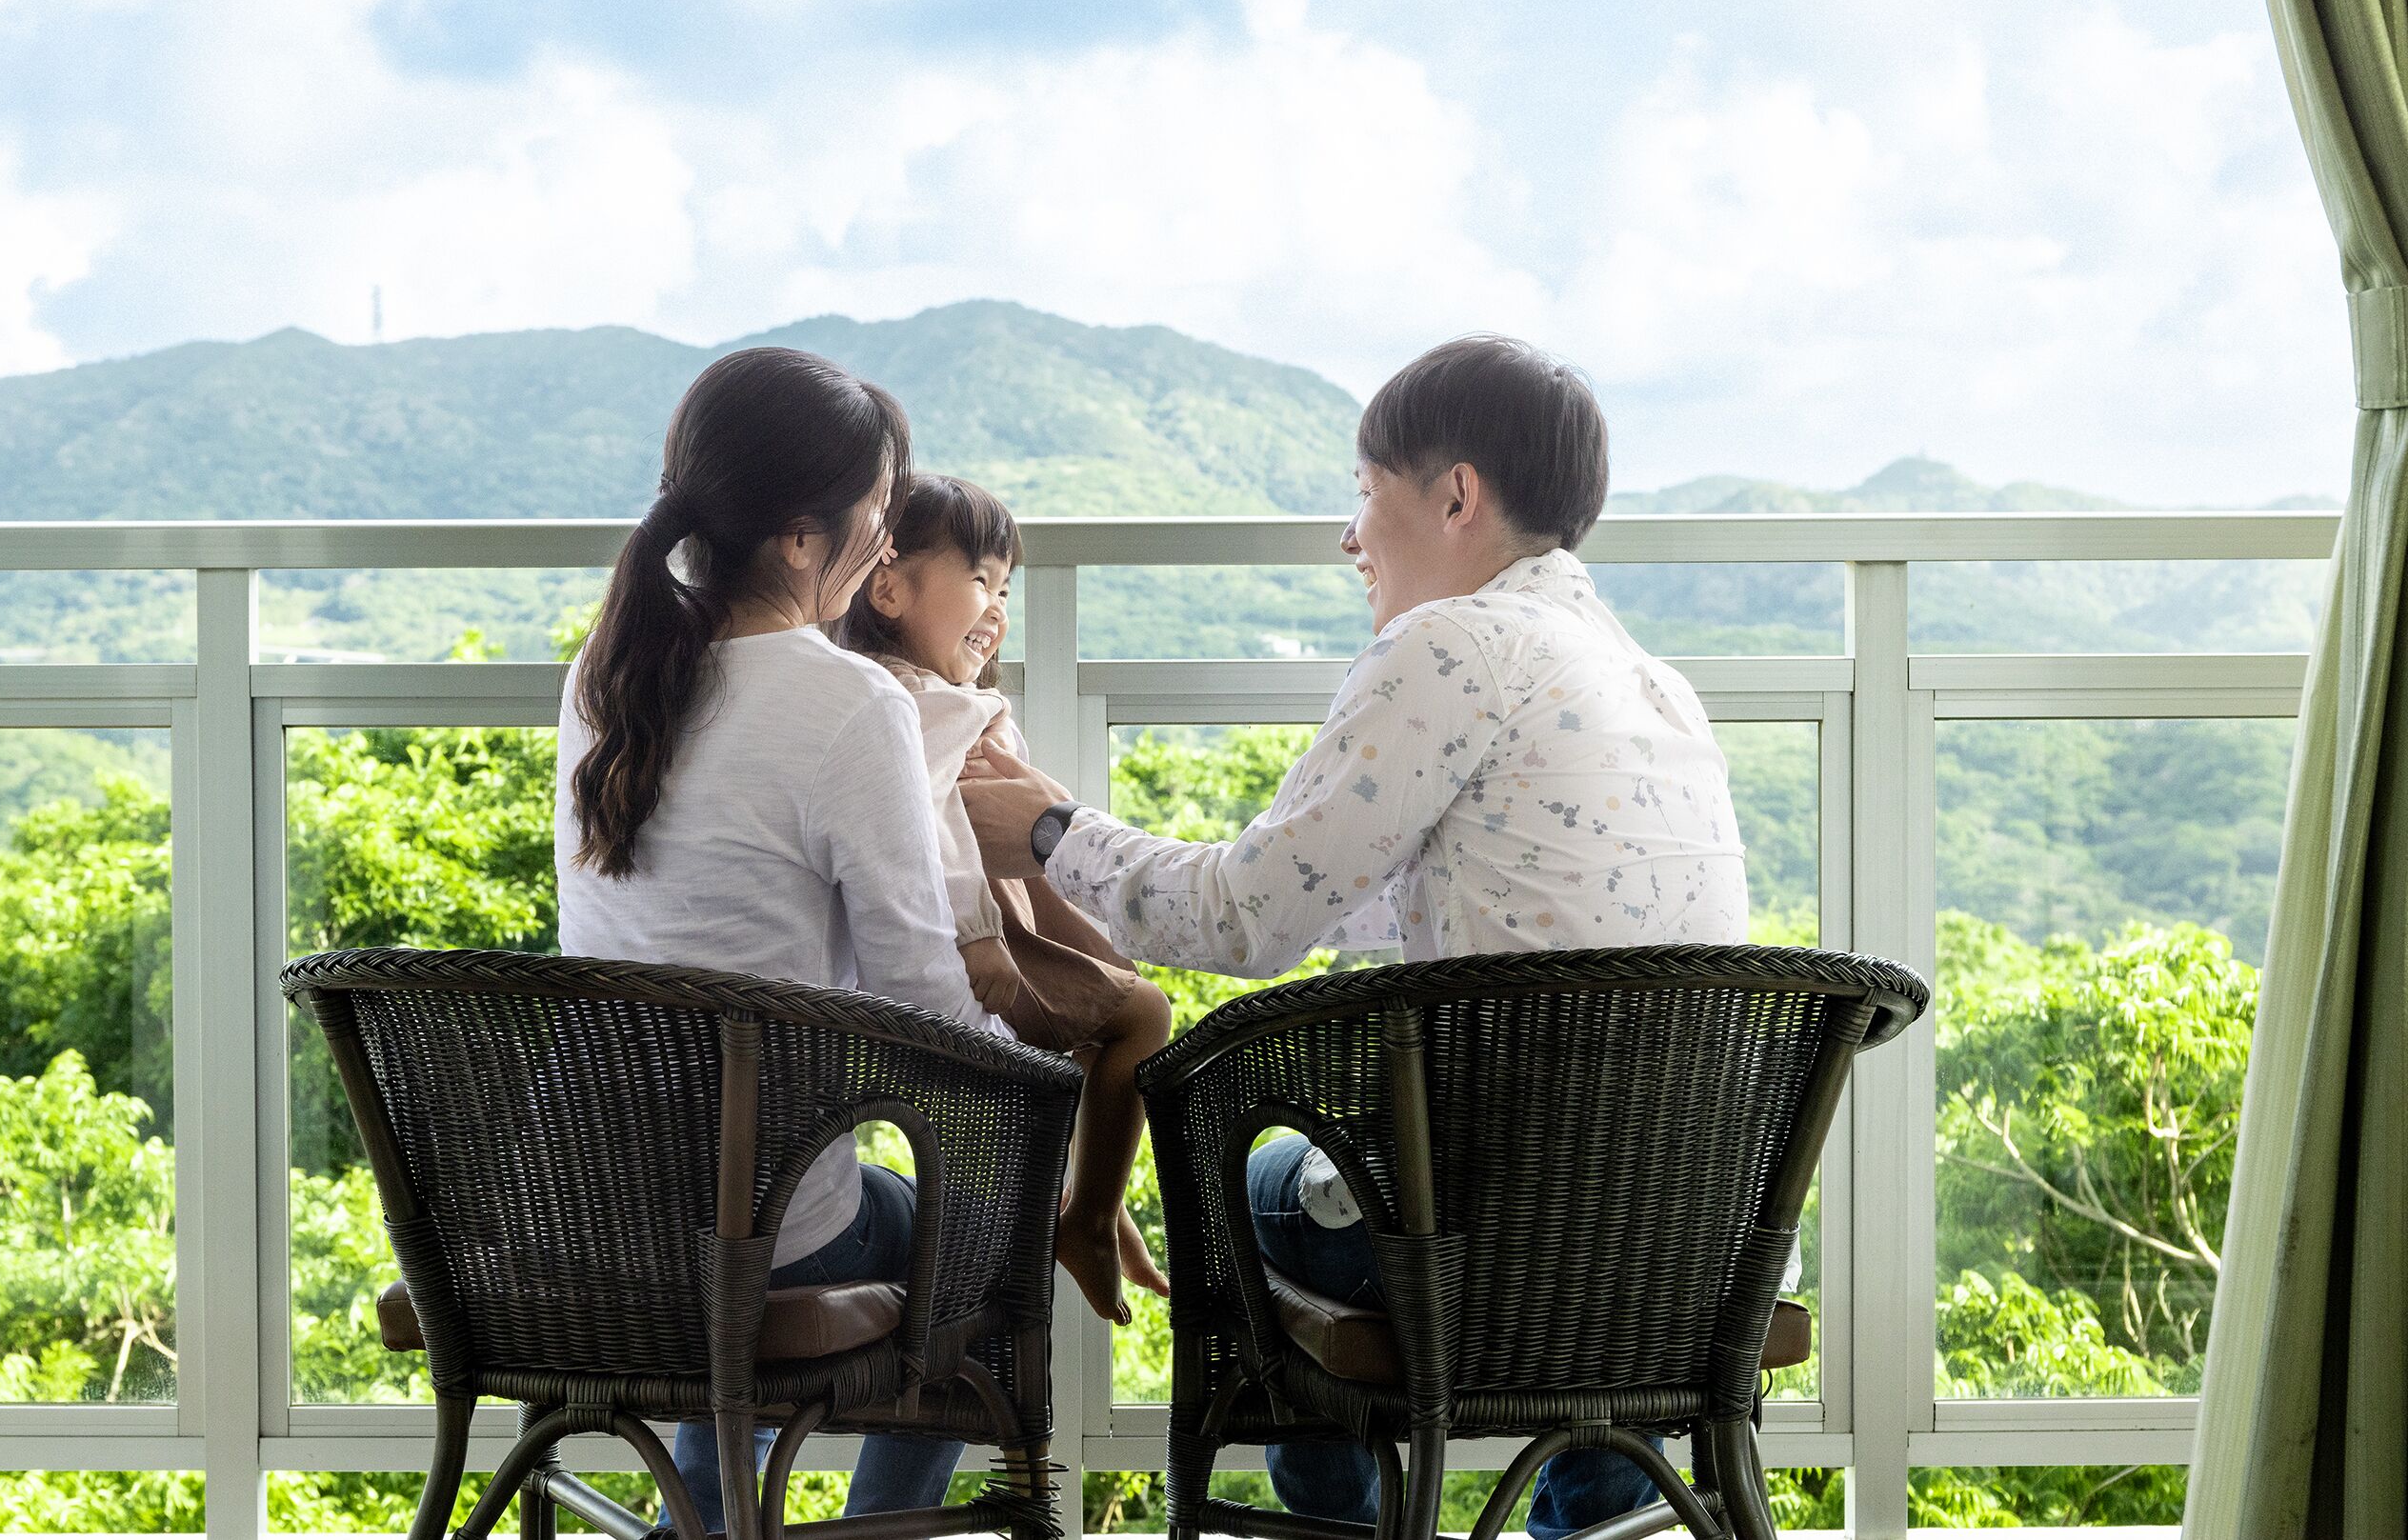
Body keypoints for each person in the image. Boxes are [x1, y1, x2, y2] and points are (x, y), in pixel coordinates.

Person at [961, 335, 1749, 1540]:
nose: (1350, 536)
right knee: (1544, 1214)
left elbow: (1249, 920)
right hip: (1688, 1244)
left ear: (1455, 495)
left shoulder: (1453, 646)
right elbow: (1424, 894)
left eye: (1364, 491)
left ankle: (1349, 1534)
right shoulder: (1655, 685)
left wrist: (1054, 832)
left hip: (1491, 1250)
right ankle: (1591, 1528)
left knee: (1252, 1187)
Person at [557, 346, 982, 1533]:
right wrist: (1040, 1066)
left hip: (590, 1206)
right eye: (881, 515)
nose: (886, 544)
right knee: (977, 1238)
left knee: (740, 1192)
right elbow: (922, 1004)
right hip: (762, 1230)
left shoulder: (606, 671)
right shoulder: (849, 701)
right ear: (803, 539)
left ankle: (708, 1512)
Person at [831, 472, 1174, 1325]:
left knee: (1105, 1010)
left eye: (1007, 588)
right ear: (890, 585)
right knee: (1143, 1016)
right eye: (980, 580)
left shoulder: (914, 690)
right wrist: (980, 934)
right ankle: (1090, 1215)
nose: (998, 606)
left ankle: (1084, 1199)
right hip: (975, 930)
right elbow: (929, 822)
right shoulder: (911, 699)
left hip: (1004, 911)